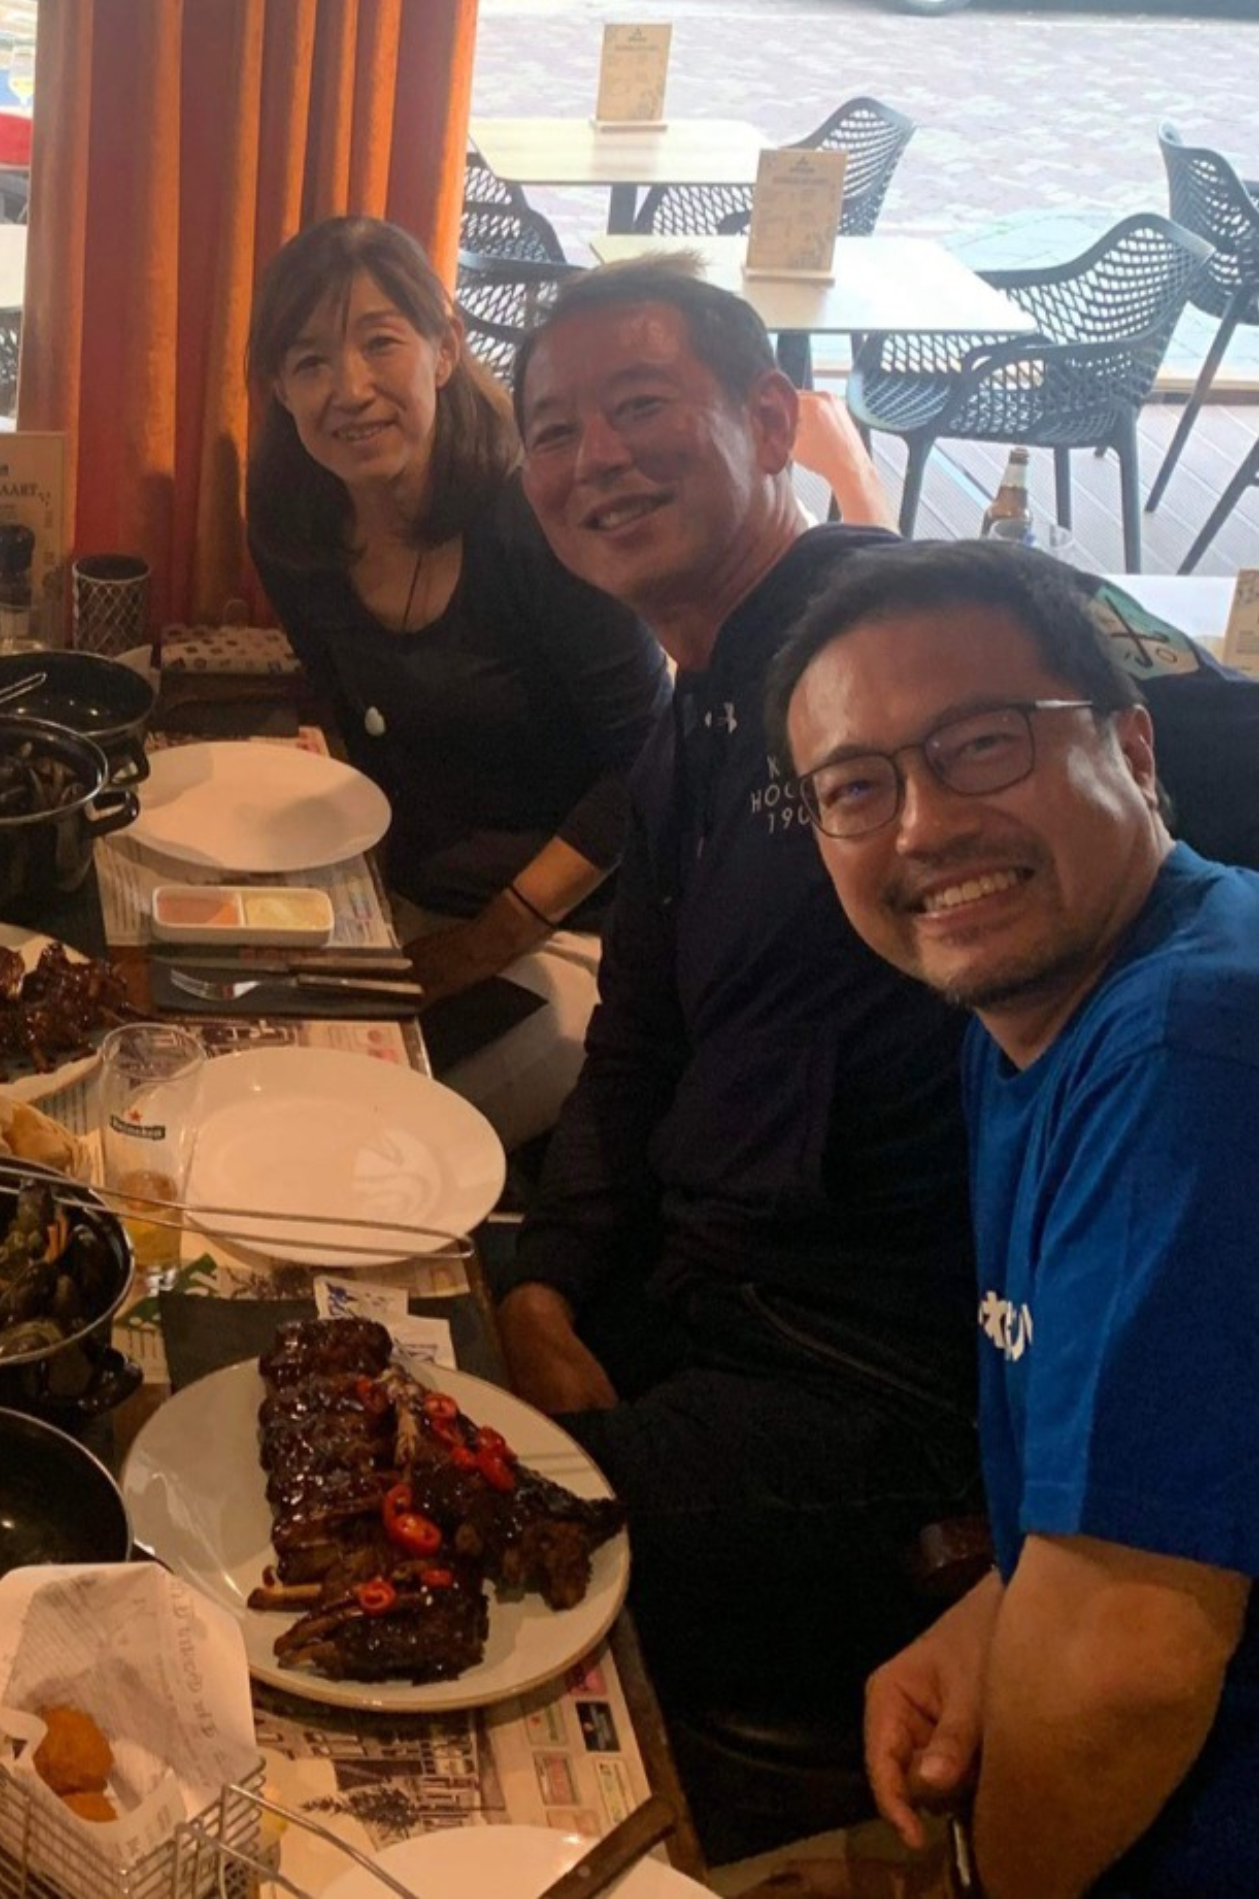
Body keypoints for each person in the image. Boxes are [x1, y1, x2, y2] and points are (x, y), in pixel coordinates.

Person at [494, 256, 1259, 1781]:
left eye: (642, 406)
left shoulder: (879, 659)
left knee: (468, 1536)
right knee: (395, 1358)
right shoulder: (705, 705)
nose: (599, 460)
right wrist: (549, 1285)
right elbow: (639, 1031)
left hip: (885, 1384)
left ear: (773, 420)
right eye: (555, 431)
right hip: (718, 1294)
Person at [767, 540, 1257, 1896]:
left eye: (981, 744)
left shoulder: (1191, 1049)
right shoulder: (1040, 1012)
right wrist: (989, 1624)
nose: (922, 827)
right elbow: (1158, 1483)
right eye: (856, 788)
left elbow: (1126, 1669)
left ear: (1134, 750)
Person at [244, 218, 667, 1148]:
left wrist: (487, 941)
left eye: (380, 343)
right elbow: (351, 721)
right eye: (310, 362)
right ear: (278, 387)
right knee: (234, 1078)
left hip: (569, 934)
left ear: (444, 349)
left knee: (351, 1143)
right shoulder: (293, 517)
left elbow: (649, 762)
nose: (349, 389)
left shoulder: (537, 521)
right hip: (397, 903)